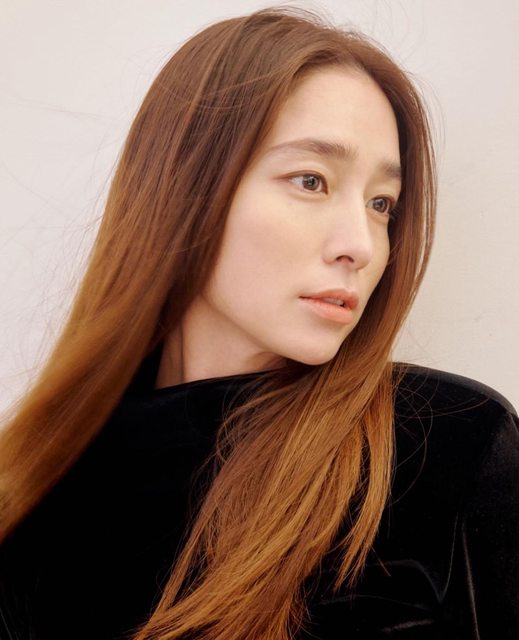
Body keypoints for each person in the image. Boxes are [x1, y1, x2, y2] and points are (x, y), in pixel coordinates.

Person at [0, 7, 517, 640]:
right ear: (185, 189)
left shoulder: (448, 446)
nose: (360, 245)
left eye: (382, 203)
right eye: (311, 180)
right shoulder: (36, 495)